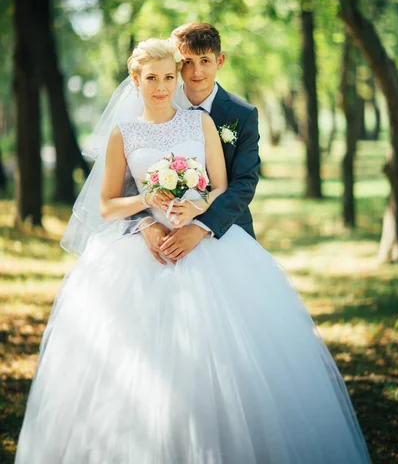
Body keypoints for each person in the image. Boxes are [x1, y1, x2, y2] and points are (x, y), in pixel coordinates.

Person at [15, 38, 372, 464]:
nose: (164, 85)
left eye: (169, 77)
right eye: (153, 78)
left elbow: (221, 185)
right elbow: (109, 203)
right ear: (136, 79)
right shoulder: (124, 134)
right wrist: (149, 202)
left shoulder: (200, 122)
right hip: (141, 252)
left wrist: (197, 209)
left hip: (208, 246)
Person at [139, 22, 261, 264]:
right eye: (187, 62)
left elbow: (244, 183)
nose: (196, 71)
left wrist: (201, 227)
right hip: (162, 232)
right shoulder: (159, 102)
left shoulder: (243, 114)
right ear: (177, 64)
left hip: (224, 230)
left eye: (205, 60)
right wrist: (147, 224)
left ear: (220, 61)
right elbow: (135, 174)